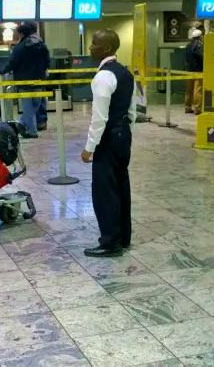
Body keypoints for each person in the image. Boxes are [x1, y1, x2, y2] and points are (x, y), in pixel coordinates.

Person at [80, 29, 136, 258]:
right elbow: (132, 109)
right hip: (123, 134)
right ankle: (122, 237)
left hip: (109, 138)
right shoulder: (124, 72)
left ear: (106, 48)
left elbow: (99, 117)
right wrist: (125, 130)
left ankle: (110, 241)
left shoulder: (103, 76)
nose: (90, 47)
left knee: (105, 190)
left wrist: (89, 147)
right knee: (121, 186)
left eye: (94, 43)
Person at [0, 21, 50, 138]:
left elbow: (12, 63)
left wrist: (1, 71)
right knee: (35, 105)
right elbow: (47, 61)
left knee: (28, 107)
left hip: (23, 81)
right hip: (39, 80)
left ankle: (24, 125)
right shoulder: (41, 45)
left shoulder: (19, 48)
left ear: (21, 34)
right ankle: (30, 128)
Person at [184, 27, 204, 115]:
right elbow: (201, 56)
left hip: (188, 70)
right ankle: (197, 109)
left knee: (189, 90)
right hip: (198, 70)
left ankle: (187, 107)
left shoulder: (188, 45)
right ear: (200, 36)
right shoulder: (199, 45)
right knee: (198, 90)